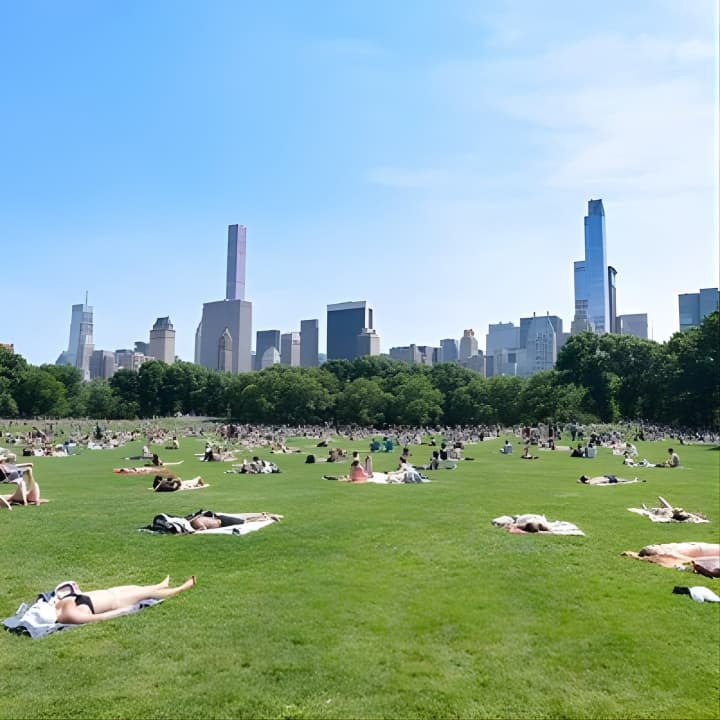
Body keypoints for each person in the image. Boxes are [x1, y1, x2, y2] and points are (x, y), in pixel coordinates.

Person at [52, 576, 196, 625]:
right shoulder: (68, 615)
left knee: (135, 587)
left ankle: (161, 585)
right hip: (117, 601)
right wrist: (124, 611)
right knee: (149, 593)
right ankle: (181, 588)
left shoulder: (55, 605)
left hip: (110, 592)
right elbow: (98, 618)